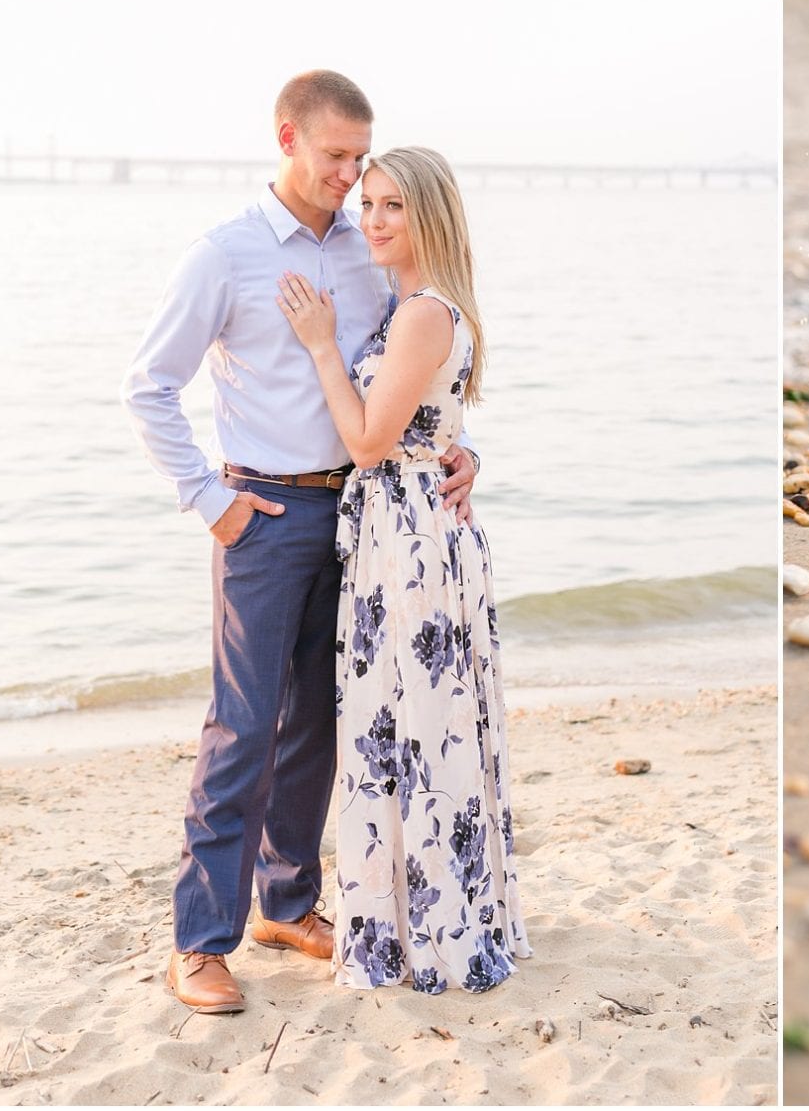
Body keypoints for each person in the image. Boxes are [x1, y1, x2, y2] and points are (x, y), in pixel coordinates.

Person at [123, 72, 479, 1014]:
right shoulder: (225, 255)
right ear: (288, 138)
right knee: (242, 726)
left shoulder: (369, 248)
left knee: (322, 723)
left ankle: (287, 903)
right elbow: (148, 387)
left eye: (362, 160)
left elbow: (403, 378)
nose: (350, 175)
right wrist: (211, 498)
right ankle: (200, 940)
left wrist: (458, 447)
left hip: (362, 522)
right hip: (265, 518)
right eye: (335, 157)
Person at [277, 145, 530, 993]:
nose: (373, 219)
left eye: (393, 205)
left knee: (412, 727)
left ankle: (425, 926)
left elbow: (368, 441)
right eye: (369, 203)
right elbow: (432, 426)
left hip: (412, 541)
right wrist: (466, 456)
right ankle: (425, 911)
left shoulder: (422, 312)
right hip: (407, 531)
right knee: (412, 724)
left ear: (430, 216)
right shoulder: (415, 307)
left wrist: (317, 345)